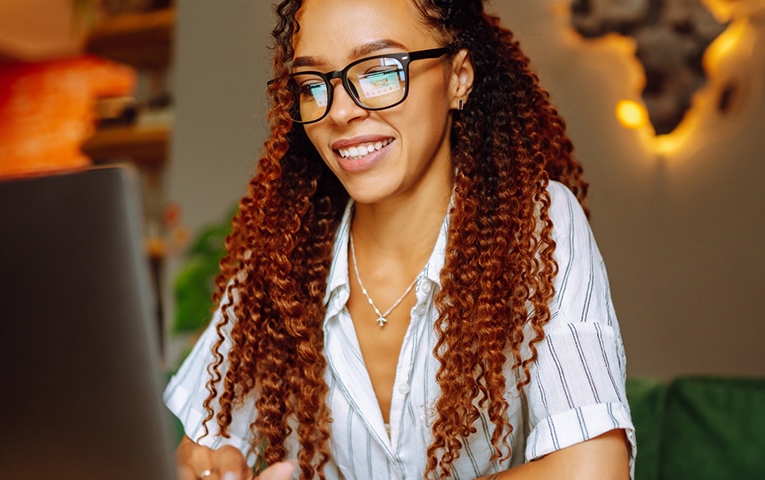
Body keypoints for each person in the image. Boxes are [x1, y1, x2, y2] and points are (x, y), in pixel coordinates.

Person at [164, 0, 635, 478]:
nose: (341, 111)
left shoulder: (534, 225)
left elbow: (594, 467)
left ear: (458, 78)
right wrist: (214, 468)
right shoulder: (281, 257)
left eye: (380, 72)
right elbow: (202, 446)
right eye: (312, 84)